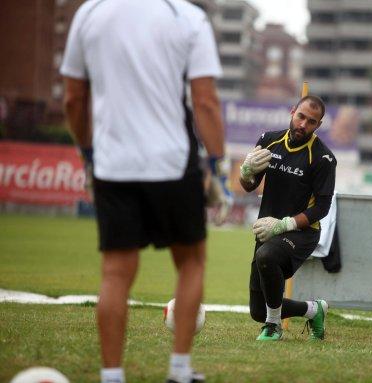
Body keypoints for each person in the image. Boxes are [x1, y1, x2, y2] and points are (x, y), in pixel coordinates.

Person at [60, 1, 229, 382]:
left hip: (113, 164)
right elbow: (205, 101)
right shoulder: (187, 17)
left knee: (116, 273)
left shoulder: (89, 13)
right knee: (190, 262)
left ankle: (112, 376)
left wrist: (88, 153)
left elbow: (72, 99)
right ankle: (180, 371)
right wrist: (217, 167)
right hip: (172, 162)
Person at [240, 95, 337, 341]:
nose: (303, 124)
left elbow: (322, 208)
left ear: (318, 125)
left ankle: (273, 327)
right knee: (258, 310)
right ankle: (314, 310)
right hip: (266, 230)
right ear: (292, 111)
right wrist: (246, 172)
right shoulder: (269, 141)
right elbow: (250, 186)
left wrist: (285, 224)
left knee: (267, 255)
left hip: (301, 232)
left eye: (311, 122)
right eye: (301, 116)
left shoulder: (324, 158)